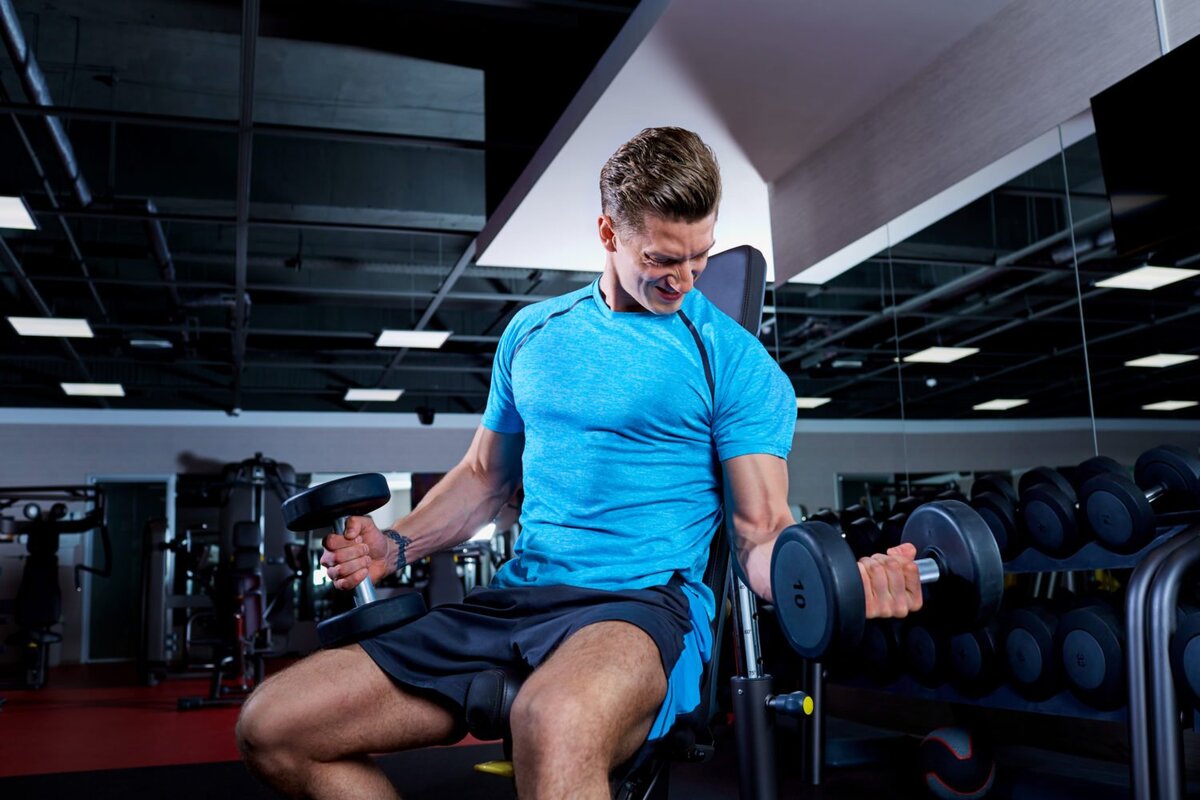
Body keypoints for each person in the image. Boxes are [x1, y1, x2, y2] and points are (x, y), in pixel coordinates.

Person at [236, 126, 922, 800]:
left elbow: (761, 531)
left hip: (640, 607)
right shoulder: (532, 333)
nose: (685, 279)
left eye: (700, 257)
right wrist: (394, 544)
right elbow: (483, 478)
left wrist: (828, 575)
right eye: (663, 259)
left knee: (552, 719)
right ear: (607, 234)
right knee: (274, 725)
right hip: (515, 601)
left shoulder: (736, 363)